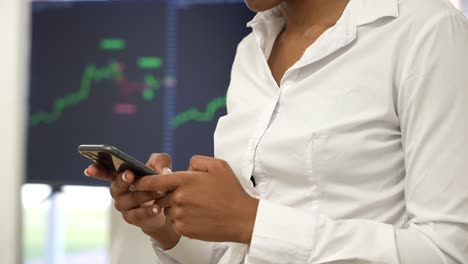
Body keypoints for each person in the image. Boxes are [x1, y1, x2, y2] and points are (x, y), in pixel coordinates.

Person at [84, 0, 468, 263]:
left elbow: (449, 252)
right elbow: (245, 251)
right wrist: (169, 229)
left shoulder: (426, 30)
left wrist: (250, 220)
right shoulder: (251, 51)